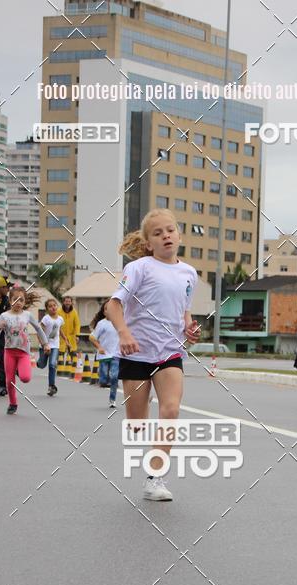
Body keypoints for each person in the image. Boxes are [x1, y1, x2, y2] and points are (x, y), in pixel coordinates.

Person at [105, 208, 200, 501]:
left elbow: (184, 313)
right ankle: (138, 423)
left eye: (170, 230)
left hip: (169, 353)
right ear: (149, 243)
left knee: (170, 410)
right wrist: (124, 333)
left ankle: (155, 478)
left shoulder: (189, 274)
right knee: (137, 424)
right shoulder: (139, 268)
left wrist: (189, 329)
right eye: (158, 233)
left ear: (179, 235)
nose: (166, 236)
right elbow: (113, 305)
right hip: (136, 354)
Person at [0, 286, 49, 415]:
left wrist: (45, 343)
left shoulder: (27, 315)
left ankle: (20, 369)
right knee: (9, 381)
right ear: (10, 300)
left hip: (23, 352)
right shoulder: (4, 316)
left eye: (21, 300)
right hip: (9, 352)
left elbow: (39, 329)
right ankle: (13, 403)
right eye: (15, 299)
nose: (18, 303)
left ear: (24, 302)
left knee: (25, 378)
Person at [89, 302, 120, 408]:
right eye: (106, 309)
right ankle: (103, 380)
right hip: (104, 355)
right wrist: (99, 347)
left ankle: (112, 399)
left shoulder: (120, 322)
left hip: (116, 355)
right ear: (104, 312)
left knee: (114, 376)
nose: (109, 310)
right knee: (103, 380)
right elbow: (92, 337)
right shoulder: (101, 323)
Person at [36, 298, 66, 397]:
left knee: (52, 364)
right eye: (50, 306)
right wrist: (44, 345)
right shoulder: (46, 319)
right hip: (45, 346)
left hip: (55, 346)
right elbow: (39, 333)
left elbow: (59, 330)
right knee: (42, 365)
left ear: (57, 306)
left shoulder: (60, 319)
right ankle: (39, 362)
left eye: (54, 305)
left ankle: (51, 386)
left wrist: (66, 340)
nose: (53, 307)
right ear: (47, 309)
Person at [57, 295, 80, 379]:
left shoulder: (74, 312)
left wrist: (77, 335)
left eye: (69, 301)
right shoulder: (59, 311)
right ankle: (60, 369)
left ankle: (73, 370)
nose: (67, 303)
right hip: (61, 336)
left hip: (71, 336)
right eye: (66, 301)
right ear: (63, 302)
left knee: (73, 353)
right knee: (60, 353)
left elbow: (77, 324)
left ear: (71, 302)